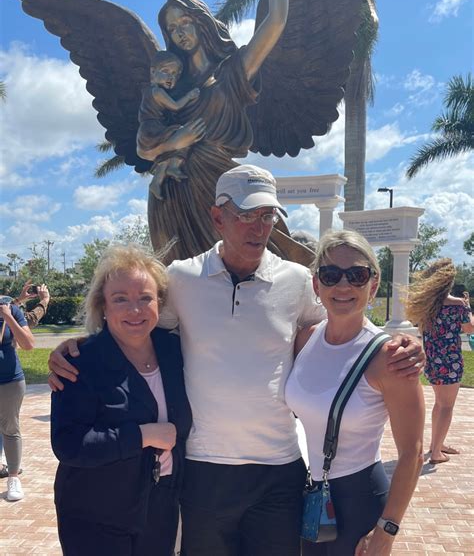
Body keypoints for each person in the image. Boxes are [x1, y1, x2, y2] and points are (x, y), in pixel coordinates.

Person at [49, 166, 425, 556]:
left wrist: (397, 342)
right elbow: (138, 326)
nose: (258, 227)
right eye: (245, 215)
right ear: (217, 218)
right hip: (204, 470)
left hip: (279, 471)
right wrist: (83, 345)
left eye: (267, 216)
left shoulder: (297, 280)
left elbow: (341, 324)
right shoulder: (181, 278)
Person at [138, 0, 308, 263]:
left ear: (201, 21)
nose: (180, 32)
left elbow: (276, 21)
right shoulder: (171, 86)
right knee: (179, 276)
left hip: (219, 184)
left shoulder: (231, 73)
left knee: (254, 263)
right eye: (172, 28)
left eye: (185, 22)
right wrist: (175, 141)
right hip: (172, 191)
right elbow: (145, 147)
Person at [286, 230, 425, 555]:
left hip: (360, 500)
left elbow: (413, 453)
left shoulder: (390, 359)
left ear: (373, 285)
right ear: (316, 285)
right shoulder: (305, 339)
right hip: (310, 495)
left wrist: (387, 530)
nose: (343, 285)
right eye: (331, 275)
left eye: (357, 275)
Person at [50, 244, 192, 556]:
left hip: (159, 509)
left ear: (159, 303)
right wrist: (142, 435)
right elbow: (68, 444)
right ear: (103, 305)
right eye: (120, 299)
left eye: (145, 298)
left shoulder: (176, 351)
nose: (135, 310)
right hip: (95, 516)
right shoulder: (79, 363)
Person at [405, 259, 474, 464]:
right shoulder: (458, 304)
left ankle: (437, 443)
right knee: (446, 406)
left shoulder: (426, 304)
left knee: (440, 404)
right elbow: (469, 329)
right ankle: (436, 452)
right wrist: (468, 308)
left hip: (432, 359)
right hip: (451, 360)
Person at [137, 50, 203, 200]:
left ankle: (156, 182)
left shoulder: (147, 91)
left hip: (147, 130)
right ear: (152, 72)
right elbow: (176, 106)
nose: (170, 77)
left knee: (165, 155)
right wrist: (190, 96)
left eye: (174, 74)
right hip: (152, 129)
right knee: (185, 136)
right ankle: (174, 166)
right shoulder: (157, 92)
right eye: (166, 71)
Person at [0, 294, 35, 501]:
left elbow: (28, 344)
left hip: (9, 381)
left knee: (10, 427)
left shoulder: (10, 308)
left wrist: (8, 317)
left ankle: (13, 478)